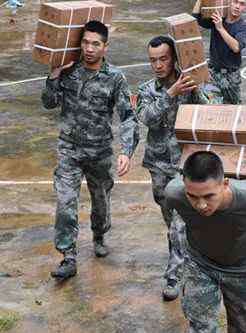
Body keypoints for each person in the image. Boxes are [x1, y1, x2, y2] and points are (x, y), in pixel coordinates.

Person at [41, 20, 139, 280]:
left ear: (105, 47)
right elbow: (49, 103)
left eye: (95, 43)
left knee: (101, 200)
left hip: (99, 152)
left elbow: (128, 116)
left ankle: (99, 234)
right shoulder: (68, 71)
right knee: (65, 202)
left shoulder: (115, 78)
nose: (89, 48)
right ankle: (68, 256)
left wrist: (125, 151)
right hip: (69, 149)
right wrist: (53, 75)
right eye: (85, 42)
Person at [165, 151, 246, 332]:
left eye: (209, 196)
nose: (201, 205)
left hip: (244, 271)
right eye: (193, 196)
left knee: (245, 328)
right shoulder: (174, 193)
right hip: (201, 265)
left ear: (224, 184)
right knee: (200, 327)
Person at [136, 36, 210, 301]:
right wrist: (170, 94)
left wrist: (196, 89)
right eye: (153, 60)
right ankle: (182, 259)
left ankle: (174, 275)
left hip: (185, 166)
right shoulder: (147, 89)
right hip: (158, 166)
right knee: (172, 224)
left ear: (174, 58)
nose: (157, 65)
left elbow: (209, 112)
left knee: (180, 225)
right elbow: (146, 119)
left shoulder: (189, 85)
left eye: (163, 59)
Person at [192, 0, 246, 105]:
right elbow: (195, 18)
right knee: (212, 106)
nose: (237, 6)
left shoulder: (242, 27)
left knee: (233, 108)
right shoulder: (218, 19)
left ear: (245, 8)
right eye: (235, 2)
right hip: (213, 74)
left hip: (231, 76)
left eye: (242, 4)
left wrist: (220, 28)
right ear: (229, 2)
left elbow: (236, 47)